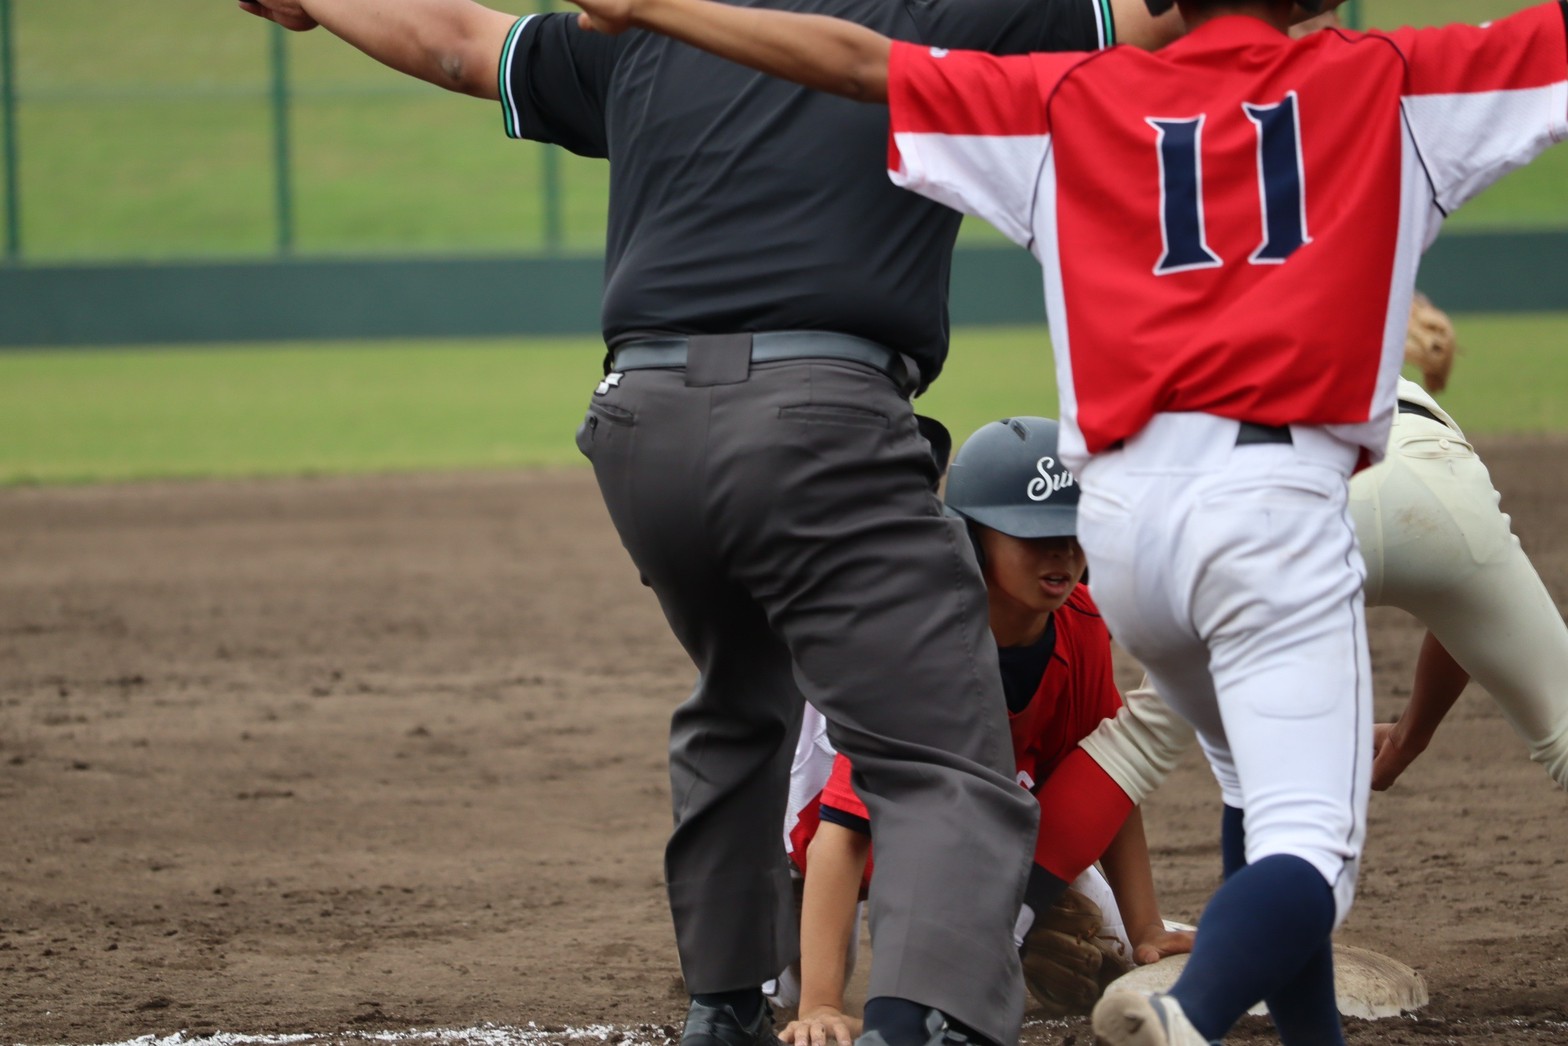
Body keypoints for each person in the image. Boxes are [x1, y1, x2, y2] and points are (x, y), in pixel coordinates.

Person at [531, 0, 1568, 1041]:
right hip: (1276, 511)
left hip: (1117, 526)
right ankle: (1193, 1010)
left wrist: (652, 9)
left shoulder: (1072, 95)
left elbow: (855, 62)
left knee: (1246, 783)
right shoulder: (1388, 81)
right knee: (1310, 854)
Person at [232, 2, 1189, 1046]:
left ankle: (725, 1005)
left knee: (738, 700)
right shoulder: (948, 14)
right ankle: (922, 1022)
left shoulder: (654, 23)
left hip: (642, 430)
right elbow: (1163, 20)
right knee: (940, 752)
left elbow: (458, 41)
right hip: (821, 423)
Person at [772, 418, 1192, 1046]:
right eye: (1035, 534)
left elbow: (1109, 772)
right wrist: (822, 1003)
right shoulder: (922, 637)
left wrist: (1146, 927)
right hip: (839, 823)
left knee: (1097, 956)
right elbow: (845, 831)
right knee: (778, 988)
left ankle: (990, 923)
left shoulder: (1081, 622)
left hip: (984, 814)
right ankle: (781, 924)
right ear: (972, 538)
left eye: (1074, 532)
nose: (1063, 554)